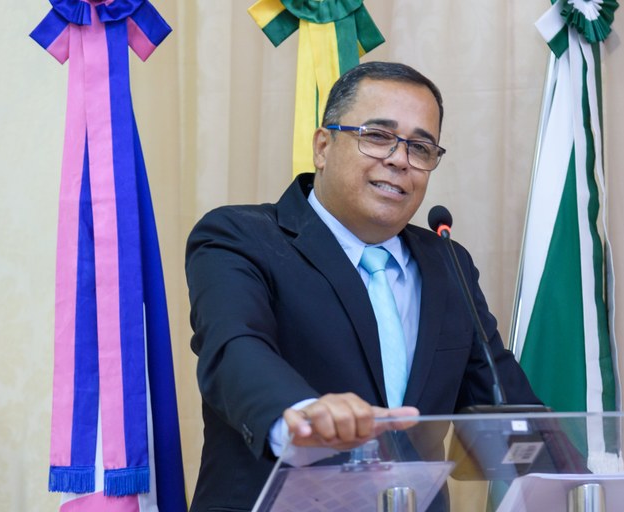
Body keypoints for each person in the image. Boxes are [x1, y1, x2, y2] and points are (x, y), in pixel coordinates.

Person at [185, 61, 541, 511]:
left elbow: (504, 402)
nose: (399, 159)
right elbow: (235, 346)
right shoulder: (239, 236)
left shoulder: (449, 263)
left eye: (420, 147)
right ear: (323, 146)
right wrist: (302, 415)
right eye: (377, 136)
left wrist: (578, 479)